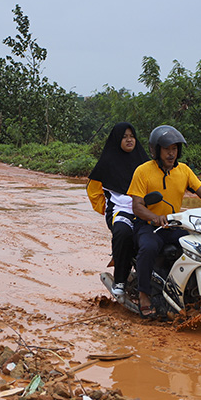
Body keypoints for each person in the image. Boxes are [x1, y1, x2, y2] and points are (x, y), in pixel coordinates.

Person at [127, 125, 201, 318]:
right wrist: (155, 217)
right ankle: (144, 294)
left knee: (199, 246)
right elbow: (137, 206)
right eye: (167, 148)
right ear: (156, 149)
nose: (171, 153)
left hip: (174, 224)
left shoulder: (184, 170)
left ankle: (190, 289)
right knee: (148, 248)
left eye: (175, 149)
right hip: (149, 226)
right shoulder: (142, 171)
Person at [86, 122, 148, 298]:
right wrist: (106, 207)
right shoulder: (107, 162)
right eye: (124, 137)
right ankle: (120, 280)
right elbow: (93, 190)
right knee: (123, 233)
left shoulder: (145, 162)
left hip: (144, 209)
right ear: (117, 139)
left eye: (132, 136)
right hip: (120, 211)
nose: (129, 140)